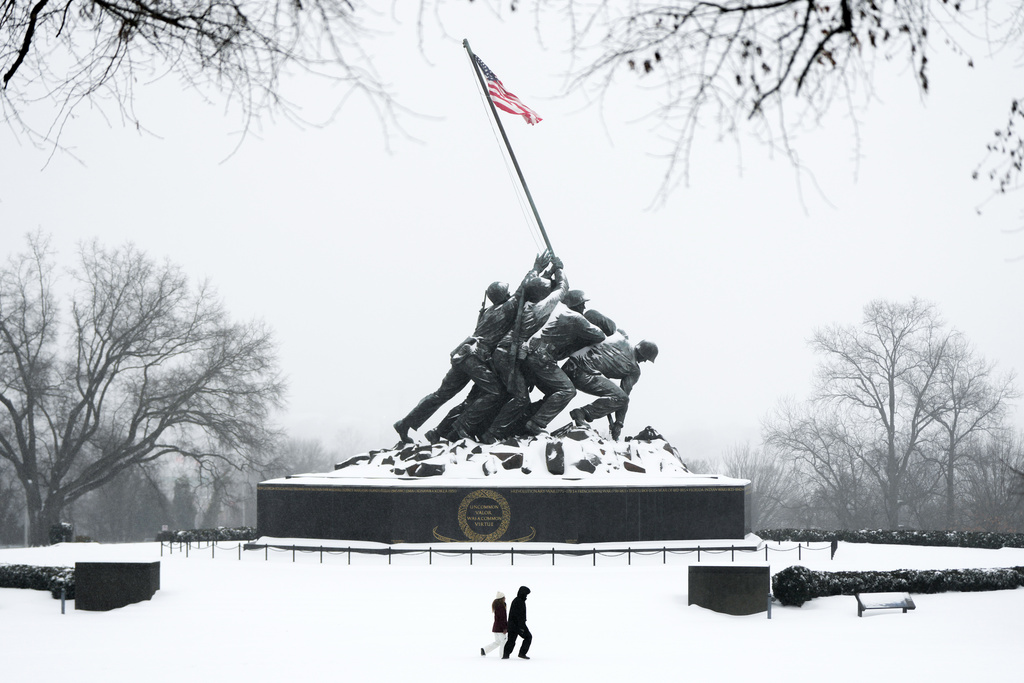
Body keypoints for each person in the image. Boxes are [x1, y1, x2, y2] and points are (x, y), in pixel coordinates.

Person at [392, 252, 551, 445]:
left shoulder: (488, 311)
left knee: (441, 394)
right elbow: (523, 290)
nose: (510, 294)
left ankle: (406, 423)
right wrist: (537, 268)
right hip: (475, 357)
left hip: (463, 355)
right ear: (504, 295)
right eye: (507, 293)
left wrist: (546, 273)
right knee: (495, 392)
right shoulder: (505, 309)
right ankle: (462, 427)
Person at [565, 336, 658, 440]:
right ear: (643, 353)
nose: (645, 361)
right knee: (622, 398)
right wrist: (619, 423)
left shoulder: (621, 339)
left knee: (618, 396)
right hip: (583, 374)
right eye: (646, 358)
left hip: (569, 365)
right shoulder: (634, 370)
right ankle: (582, 413)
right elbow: (623, 397)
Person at [502, 585, 532, 660]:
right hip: (518, 625)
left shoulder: (516, 600)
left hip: (512, 625)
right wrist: (521, 627)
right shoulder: (519, 601)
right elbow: (519, 616)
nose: (526, 596)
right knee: (528, 637)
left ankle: (506, 655)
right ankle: (522, 653)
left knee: (511, 640)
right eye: (526, 594)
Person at [481, 591, 508, 657]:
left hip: (496, 627)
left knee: (498, 642)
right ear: (501, 598)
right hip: (500, 628)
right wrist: (504, 628)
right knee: (503, 642)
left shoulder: (497, 606)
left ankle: (485, 650)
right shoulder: (501, 607)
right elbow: (502, 619)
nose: (505, 598)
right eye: (504, 597)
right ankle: (502, 655)